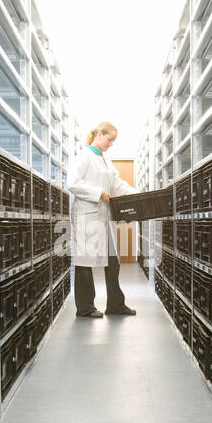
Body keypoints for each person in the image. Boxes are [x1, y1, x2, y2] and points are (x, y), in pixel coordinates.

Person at [67, 122, 137, 317]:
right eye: (110, 139)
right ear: (99, 134)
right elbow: (73, 183)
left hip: (104, 216)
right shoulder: (83, 156)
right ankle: (85, 307)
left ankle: (115, 305)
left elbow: (116, 184)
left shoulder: (104, 160)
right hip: (87, 216)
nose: (111, 143)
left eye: (113, 140)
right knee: (85, 262)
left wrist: (136, 195)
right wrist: (99, 193)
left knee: (113, 261)